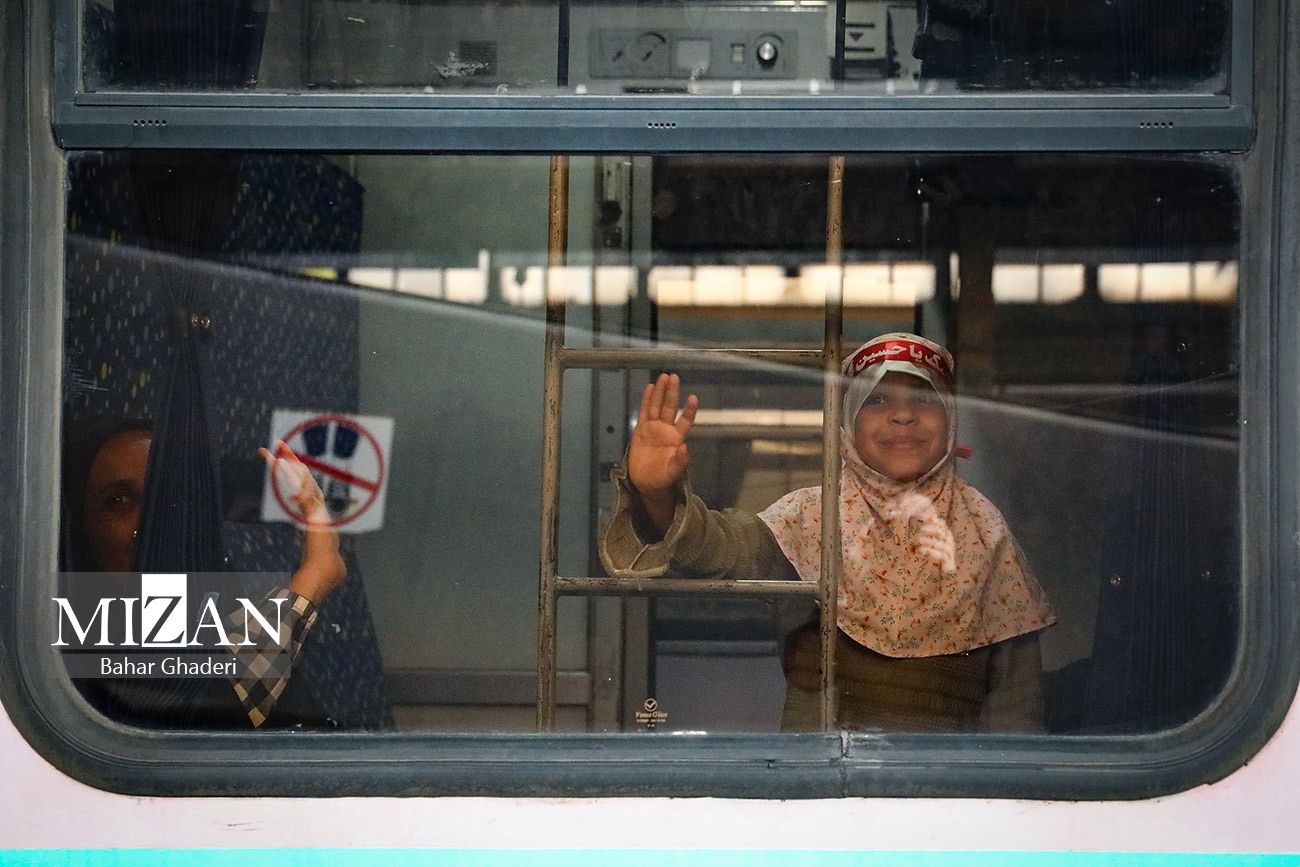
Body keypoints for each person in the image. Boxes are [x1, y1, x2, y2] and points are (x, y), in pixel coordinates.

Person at [600, 332, 1056, 733]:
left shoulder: (984, 530)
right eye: (877, 400)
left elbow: (1017, 708)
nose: (903, 416)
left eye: (924, 399)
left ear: (950, 418)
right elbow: (721, 549)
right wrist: (657, 494)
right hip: (816, 780)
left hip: (945, 788)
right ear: (848, 422)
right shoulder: (810, 516)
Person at [61, 415, 346, 728]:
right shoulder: (74, 645)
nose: (152, 522)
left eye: (167, 496)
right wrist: (317, 573)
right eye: (119, 501)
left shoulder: (210, 605)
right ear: (80, 531)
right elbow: (210, 714)